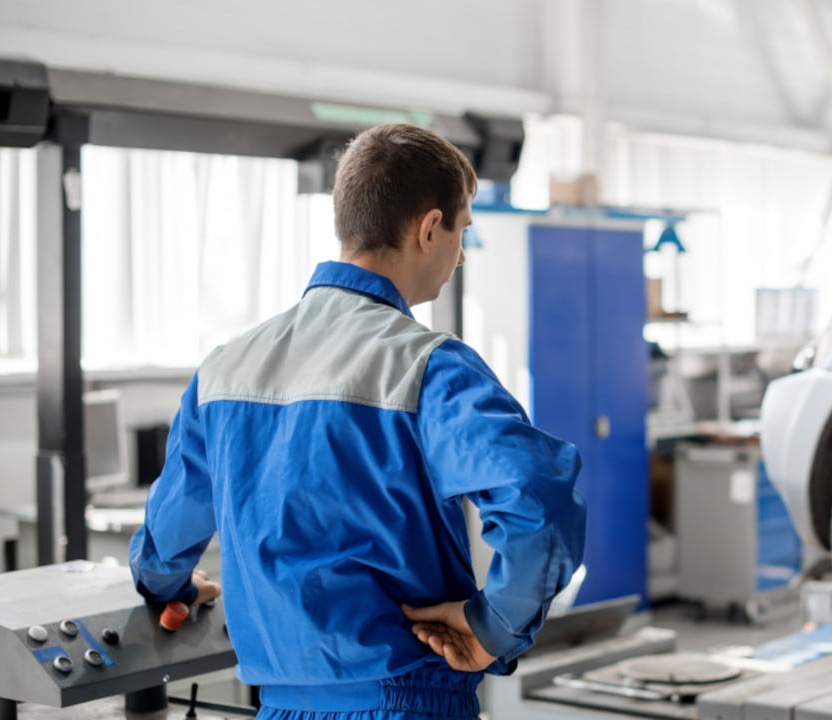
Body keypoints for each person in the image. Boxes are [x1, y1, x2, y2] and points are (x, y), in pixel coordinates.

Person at [129, 123, 587, 720]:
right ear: (429, 229)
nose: (461, 252)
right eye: (462, 231)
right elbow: (540, 505)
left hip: (278, 705)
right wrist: (491, 626)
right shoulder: (429, 369)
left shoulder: (222, 371)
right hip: (404, 701)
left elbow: (164, 544)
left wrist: (172, 590)